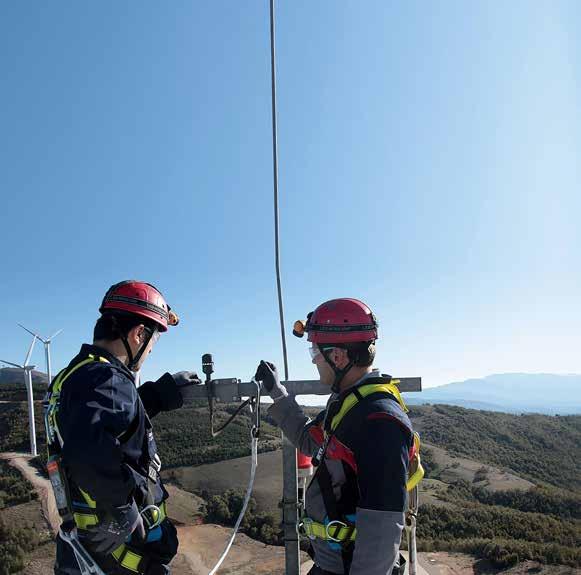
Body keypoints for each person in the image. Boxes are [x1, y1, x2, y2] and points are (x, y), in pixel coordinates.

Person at [255, 298, 421, 575]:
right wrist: (277, 392)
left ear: (338, 357)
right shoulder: (350, 405)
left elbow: (381, 532)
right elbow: (309, 440)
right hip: (333, 563)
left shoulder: (378, 421)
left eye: (315, 353)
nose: (314, 360)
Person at [45, 281, 201, 575]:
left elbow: (104, 422)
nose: (151, 351)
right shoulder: (106, 378)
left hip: (88, 543)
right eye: (153, 342)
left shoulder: (77, 374)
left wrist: (157, 395)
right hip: (117, 553)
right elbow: (87, 449)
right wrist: (122, 513)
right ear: (138, 334)